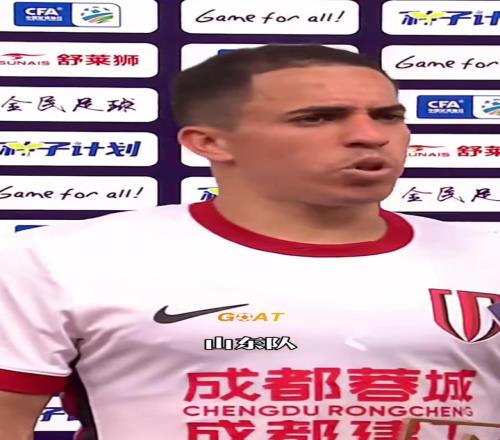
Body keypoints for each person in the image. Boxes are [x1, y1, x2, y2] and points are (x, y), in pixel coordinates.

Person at [0, 44, 498, 440]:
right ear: (209, 142)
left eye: (387, 116)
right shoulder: (64, 260)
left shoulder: (486, 257)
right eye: (317, 117)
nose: (370, 135)